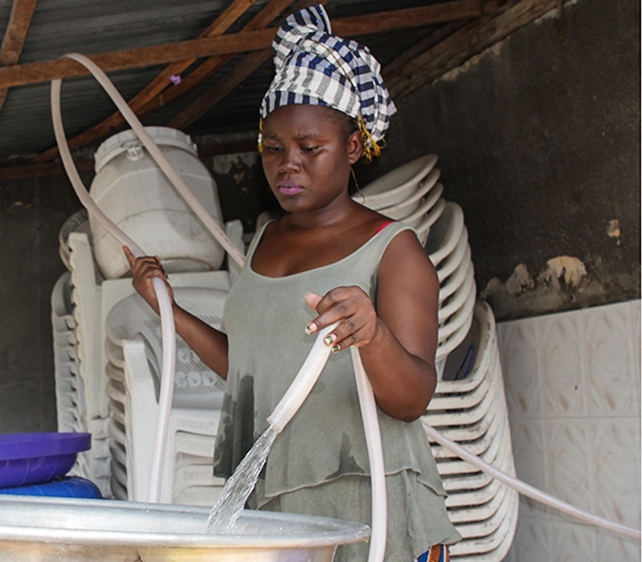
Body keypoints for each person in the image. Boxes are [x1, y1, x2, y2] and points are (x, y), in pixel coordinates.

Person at [122, 5, 461, 561]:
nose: (287, 166)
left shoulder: (393, 250)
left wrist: (372, 336)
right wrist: (167, 307)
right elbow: (253, 368)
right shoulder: (265, 241)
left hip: (370, 504)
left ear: (352, 148)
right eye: (273, 148)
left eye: (310, 148)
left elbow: (413, 398)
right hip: (279, 505)